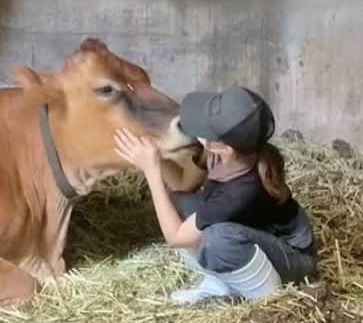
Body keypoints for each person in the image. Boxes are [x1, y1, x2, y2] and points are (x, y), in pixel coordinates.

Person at [114, 85, 318, 304]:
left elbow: (176, 238)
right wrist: (154, 146)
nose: (200, 133)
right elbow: (183, 184)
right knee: (179, 205)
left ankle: (265, 300)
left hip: (294, 257)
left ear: (225, 148)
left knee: (219, 239)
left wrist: (151, 170)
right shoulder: (229, 153)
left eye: (207, 130)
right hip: (256, 235)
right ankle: (219, 285)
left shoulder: (241, 192)